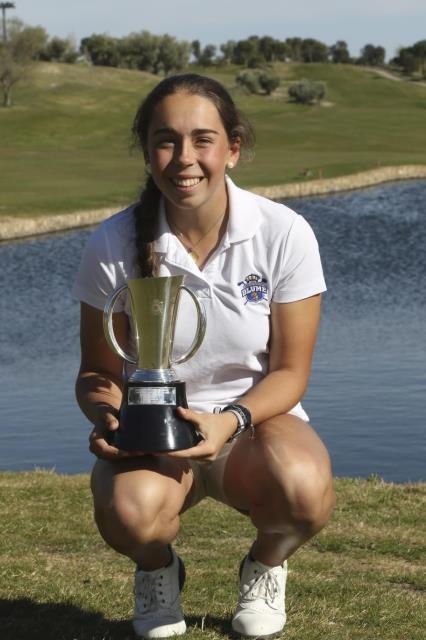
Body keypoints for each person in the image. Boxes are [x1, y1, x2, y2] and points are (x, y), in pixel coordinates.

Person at [73, 73, 335, 639]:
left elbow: (291, 372)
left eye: (203, 139)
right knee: (129, 511)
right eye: (166, 140)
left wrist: (231, 419)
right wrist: (109, 417)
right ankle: (156, 570)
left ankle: (265, 566)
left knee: (305, 490)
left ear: (233, 149)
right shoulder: (112, 243)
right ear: (147, 151)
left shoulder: (284, 232)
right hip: (154, 436)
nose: (184, 158)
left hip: (255, 424)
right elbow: (97, 369)